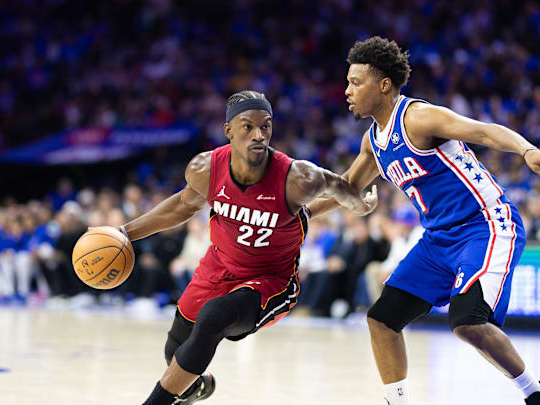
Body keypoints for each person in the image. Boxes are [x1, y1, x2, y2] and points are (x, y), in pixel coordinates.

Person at [308, 37, 540, 405]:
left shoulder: (418, 117)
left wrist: (527, 149)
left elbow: (482, 130)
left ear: (384, 85)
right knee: (382, 319)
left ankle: (537, 395)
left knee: (468, 322)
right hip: (438, 239)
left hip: (485, 224)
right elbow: (349, 188)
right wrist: (302, 214)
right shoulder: (373, 141)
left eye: (356, 82)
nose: (347, 90)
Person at [110, 90, 377, 405]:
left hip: (270, 280)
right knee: (175, 353)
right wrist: (124, 232)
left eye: (265, 127)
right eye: (248, 127)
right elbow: (181, 206)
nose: (258, 135)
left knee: (212, 317)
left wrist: (361, 206)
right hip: (217, 267)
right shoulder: (205, 168)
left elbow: (339, 185)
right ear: (228, 131)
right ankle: (197, 387)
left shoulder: (298, 178)